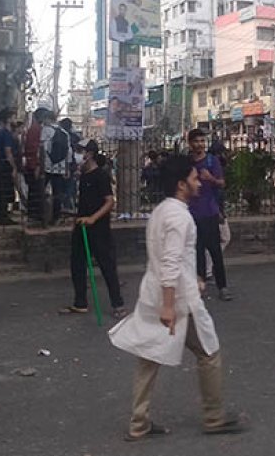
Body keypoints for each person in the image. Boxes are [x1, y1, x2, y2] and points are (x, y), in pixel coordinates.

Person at [108, 154, 245, 441]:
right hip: (178, 301)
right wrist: (170, 306)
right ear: (182, 184)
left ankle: (139, 422)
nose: (199, 183)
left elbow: (170, 258)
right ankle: (214, 416)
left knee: (148, 358)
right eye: (195, 178)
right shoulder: (180, 217)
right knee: (209, 353)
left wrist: (192, 278)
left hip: (156, 293)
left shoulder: (161, 212)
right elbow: (170, 262)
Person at [61, 148, 126, 318]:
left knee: (106, 265)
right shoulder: (83, 176)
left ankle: (118, 304)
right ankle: (80, 302)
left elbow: (110, 201)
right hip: (81, 225)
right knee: (77, 263)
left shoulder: (100, 175)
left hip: (98, 228)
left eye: (80, 152)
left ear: (88, 154)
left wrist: (93, 218)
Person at [188, 129, 231, 301]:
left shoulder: (212, 161)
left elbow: (222, 183)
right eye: (196, 141)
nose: (200, 144)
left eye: (202, 141)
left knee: (215, 252)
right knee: (196, 252)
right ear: (190, 143)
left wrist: (211, 179)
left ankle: (223, 286)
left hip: (210, 212)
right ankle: (200, 286)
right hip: (192, 214)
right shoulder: (187, 163)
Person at [40, 110, 72, 225]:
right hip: (60, 168)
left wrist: (40, 165)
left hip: (47, 167)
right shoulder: (64, 132)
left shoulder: (46, 130)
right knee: (57, 193)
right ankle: (56, 217)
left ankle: (40, 215)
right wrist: (67, 169)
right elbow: (69, 152)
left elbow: (42, 150)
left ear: (47, 119)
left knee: (40, 190)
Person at [0, 110, 20, 225]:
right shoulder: (6, 134)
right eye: (14, 117)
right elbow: (8, 152)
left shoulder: (0, 133)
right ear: (8, 120)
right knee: (5, 190)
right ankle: (3, 216)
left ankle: (0, 214)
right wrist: (14, 167)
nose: (15, 120)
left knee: (0, 190)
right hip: (4, 165)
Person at [22, 108, 48, 225]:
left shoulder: (33, 128)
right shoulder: (36, 129)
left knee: (35, 190)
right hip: (34, 165)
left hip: (32, 163)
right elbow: (35, 149)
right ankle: (34, 215)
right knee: (36, 190)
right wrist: (37, 164)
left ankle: (34, 215)